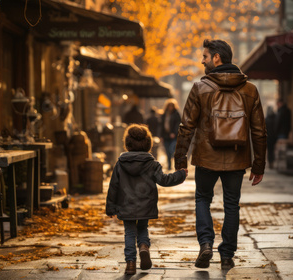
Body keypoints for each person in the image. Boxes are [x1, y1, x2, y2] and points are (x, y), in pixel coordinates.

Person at [174, 39, 267, 270]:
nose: (202, 60)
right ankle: (227, 255)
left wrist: (181, 159)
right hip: (237, 158)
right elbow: (259, 132)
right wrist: (259, 166)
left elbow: (186, 126)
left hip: (206, 157)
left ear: (217, 58)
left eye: (205, 56)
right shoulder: (250, 90)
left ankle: (205, 244)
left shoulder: (200, 88)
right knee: (232, 205)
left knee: (203, 199)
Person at [106, 124, 187, 275]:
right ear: (147, 143)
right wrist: (181, 175)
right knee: (143, 228)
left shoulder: (120, 164)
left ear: (128, 143)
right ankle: (144, 246)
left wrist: (111, 208)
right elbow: (164, 180)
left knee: (129, 233)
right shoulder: (152, 164)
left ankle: (130, 263)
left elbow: (113, 186)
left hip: (126, 205)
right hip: (145, 204)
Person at [160, 98, 181, 170]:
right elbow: (161, 125)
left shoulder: (176, 114)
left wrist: (174, 133)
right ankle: (169, 165)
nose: (170, 107)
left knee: (172, 150)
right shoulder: (164, 114)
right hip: (165, 136)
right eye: (169, 105)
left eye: (172, 106)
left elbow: (178, 124)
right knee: (167, 151)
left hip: (173, 136)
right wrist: (161, 136)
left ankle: (175, 164)